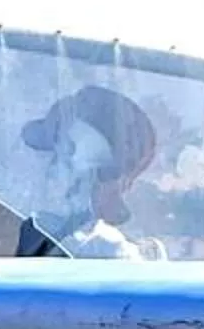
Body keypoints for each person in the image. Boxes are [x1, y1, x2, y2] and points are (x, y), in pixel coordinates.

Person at [18, 84, 164, 259]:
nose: (49, 167)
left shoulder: (111, 258)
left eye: (67, 156)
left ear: (105, 184)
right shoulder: (19, 229)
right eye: (51, 146)